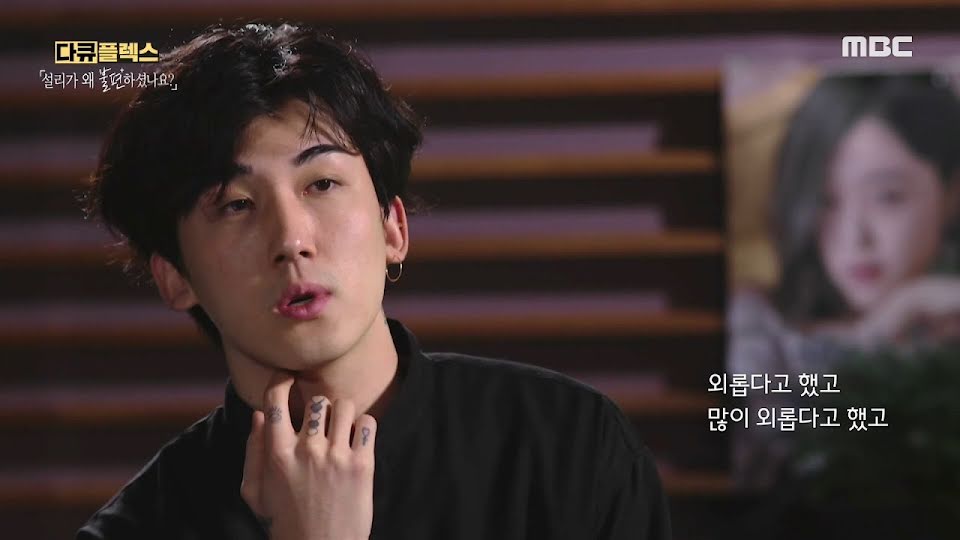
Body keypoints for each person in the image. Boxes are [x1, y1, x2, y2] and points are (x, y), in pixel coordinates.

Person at [75, 22, 672, 540]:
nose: (292, 240)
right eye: (236, 205)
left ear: (393, 227)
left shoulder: (568, 447)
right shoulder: (140, 528)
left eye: (321, 184)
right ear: (175, 276)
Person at [728, 71, 960, 491]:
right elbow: (757, 440)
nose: (856, 238)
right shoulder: (754, 324)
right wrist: (874, 335)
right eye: (826, 202)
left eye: (888, 197)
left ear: (951, 193)